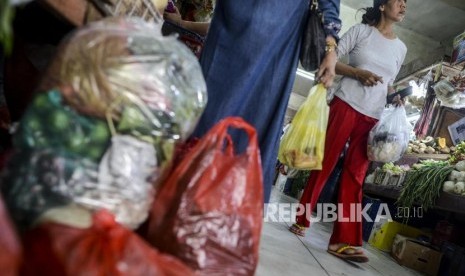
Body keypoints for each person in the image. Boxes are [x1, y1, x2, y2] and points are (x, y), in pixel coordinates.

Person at [290, 0, 407, 263]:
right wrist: (357, 72)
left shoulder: (401, 47)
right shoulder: (361, 32)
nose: (403, 6)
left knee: (356, 176)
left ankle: (344, 240)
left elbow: (389, 82)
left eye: (405, 3)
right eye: (398, 1)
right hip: (345, 104)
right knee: (326, 163)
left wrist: (395, 95)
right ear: (382, 6)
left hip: (372, 117)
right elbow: (330, 60)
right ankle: (302, 218)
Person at [190, 0, 342, 203]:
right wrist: (330, 45)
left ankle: (197, 195)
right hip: (268, 34)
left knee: (217, 115)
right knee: (242, 123)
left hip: (263, 32)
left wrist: (331, 46)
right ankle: (214, 204)